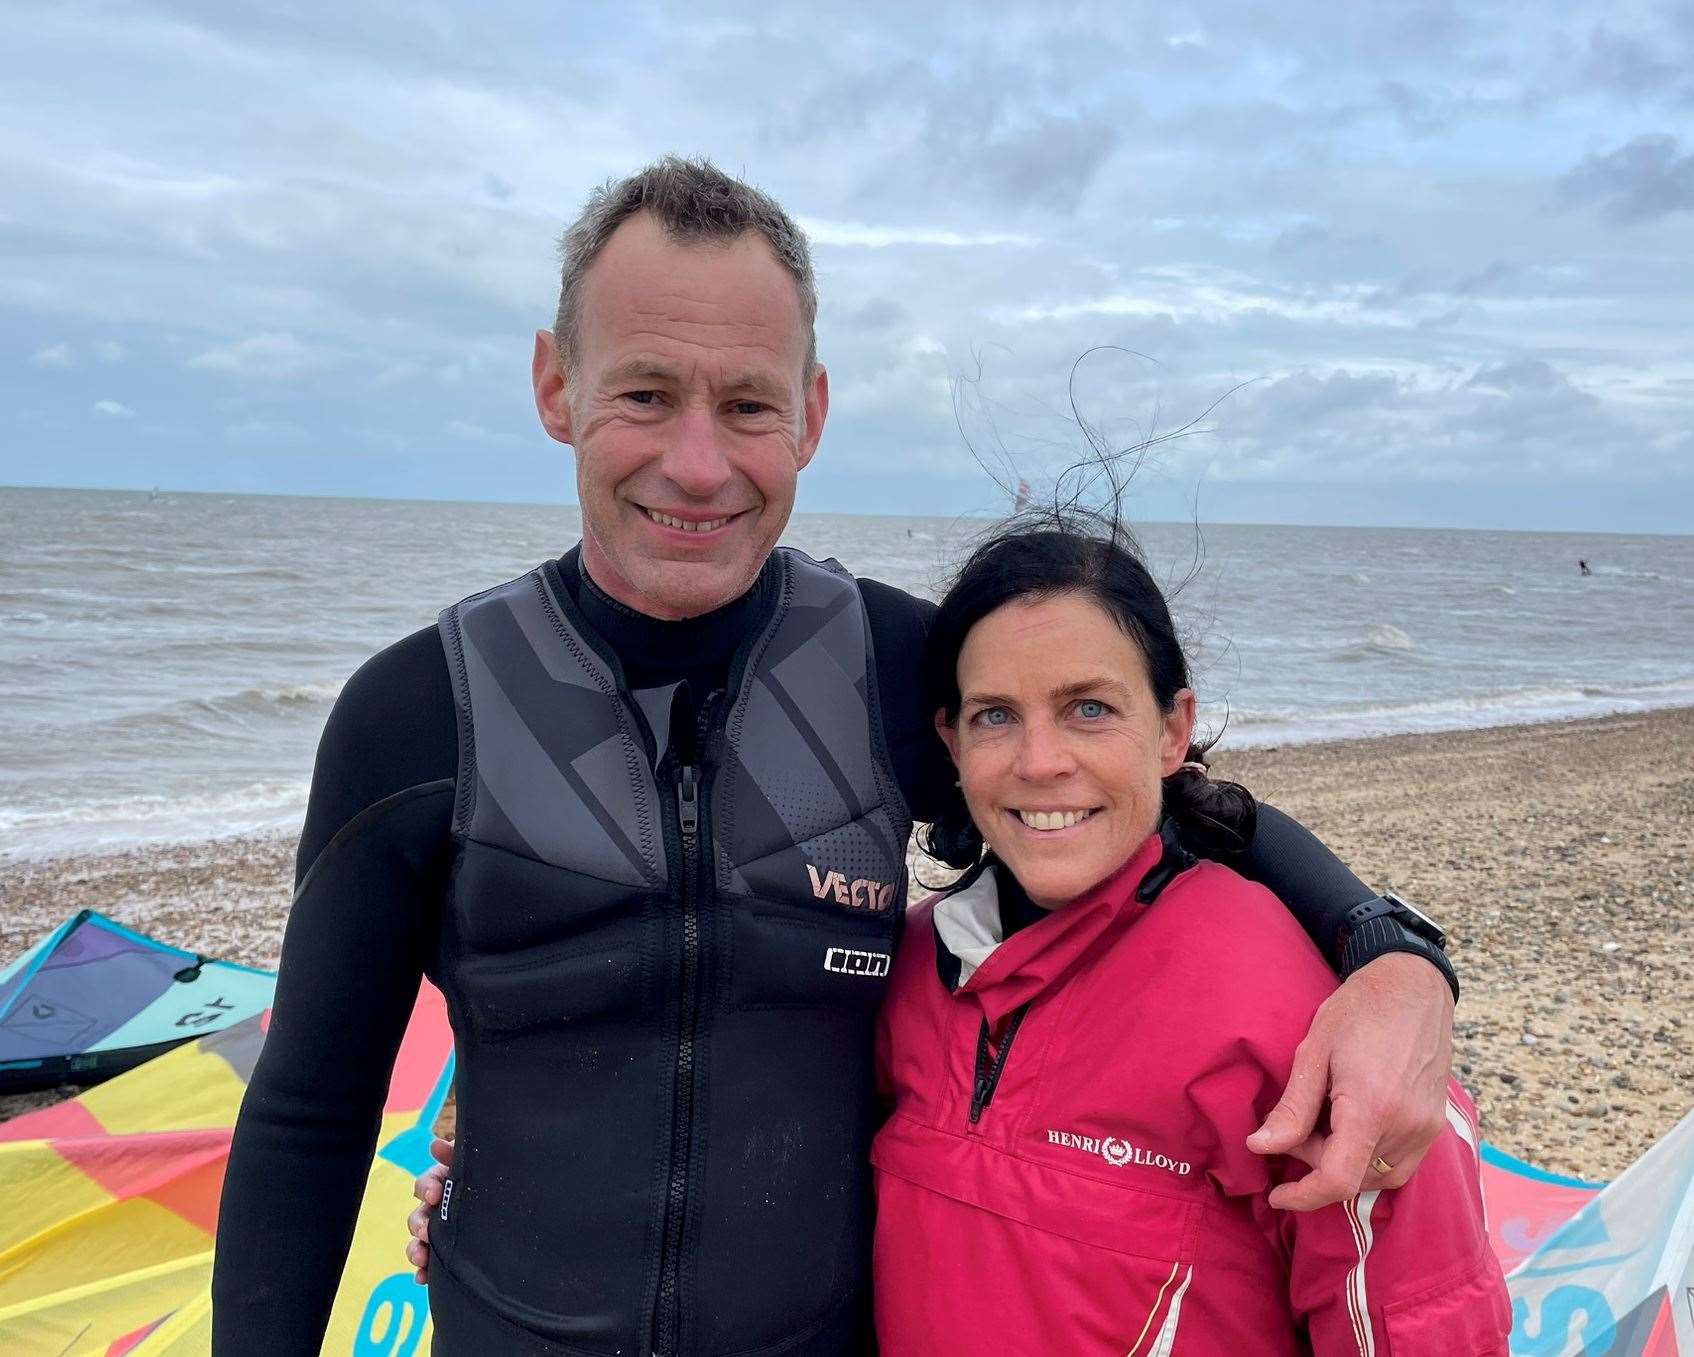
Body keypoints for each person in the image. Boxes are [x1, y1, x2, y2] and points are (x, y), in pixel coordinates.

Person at [214, 158, 1460, 1356]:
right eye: (644, 393)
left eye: (748, 404)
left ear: (809, 414)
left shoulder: (884, 668)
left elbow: (1143, 804)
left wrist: (1391, 957)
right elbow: (311, 1116)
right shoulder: (420, 709)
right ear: (555, 387)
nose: (696, 464)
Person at [868, 518, 1510, 1353]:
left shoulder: (1322, 1031)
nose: (1039, 760)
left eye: (1088, 708)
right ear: (951, 741)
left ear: (1173, 730)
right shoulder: (908, 969)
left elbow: (1424, 1327)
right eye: (996, 715)